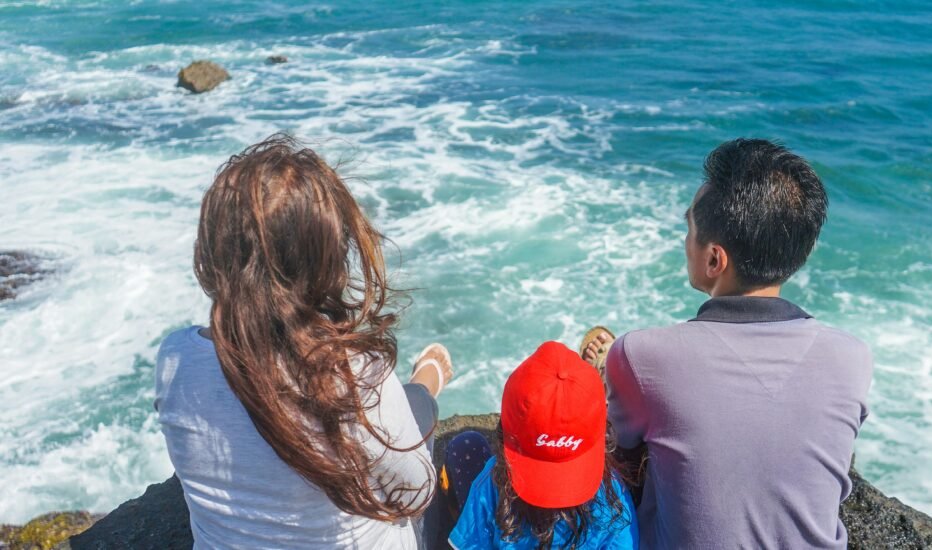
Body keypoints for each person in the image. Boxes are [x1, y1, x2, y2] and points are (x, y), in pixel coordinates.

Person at [154, 134, 453, 549]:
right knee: (419, 407)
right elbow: (415, 496)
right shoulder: (353, 373)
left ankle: (423, 385)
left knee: (408, 405)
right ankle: (426, 383)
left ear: (211, 253)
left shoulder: (176, 359)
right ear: (328, 260)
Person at [583, 139, 874, 548]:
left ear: (714, 260)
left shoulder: (643, 354)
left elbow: (618, 450)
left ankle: (606, 381)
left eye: (689, 229)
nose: (686, 240)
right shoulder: (852, 358)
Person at [447, 342, 638, 549]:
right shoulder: (614, 498)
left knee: (465, 447)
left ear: (503, 432)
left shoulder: (493, 482)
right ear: (604, 434)